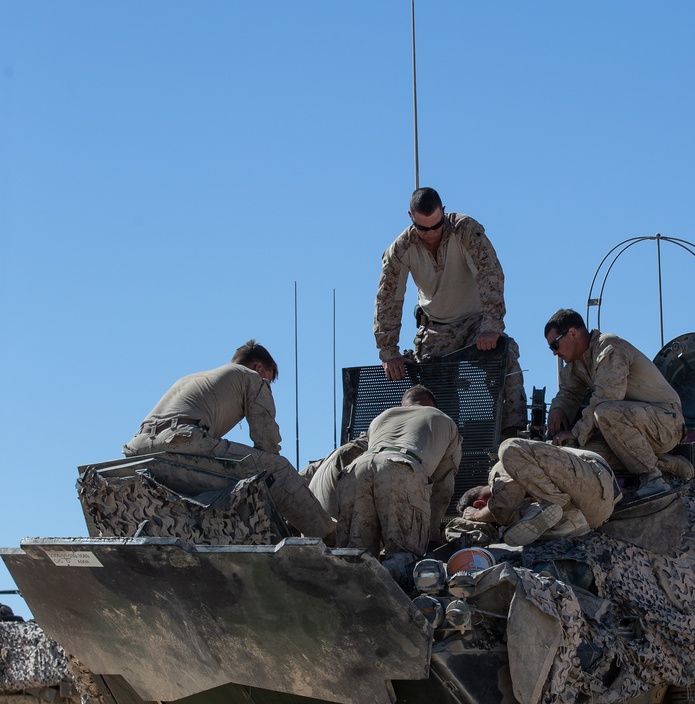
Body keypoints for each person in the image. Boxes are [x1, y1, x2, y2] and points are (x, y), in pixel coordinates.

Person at [122, 341, 337, 542]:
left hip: (138, 448)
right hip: (182, 440)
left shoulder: (196, 378)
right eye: (268, 380)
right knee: (277, 469)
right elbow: (267, 441)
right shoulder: (249, 376)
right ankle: (330, 537)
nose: (266, 384)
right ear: (259, 367)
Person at [374, 186, 527, 435]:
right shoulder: (400, 250)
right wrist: (388, 351)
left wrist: (491, 326)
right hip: (436, 328)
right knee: (432, 388)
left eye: (437, 225)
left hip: (476, 322)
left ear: (443, 212)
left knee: (505, 356)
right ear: (411, 218)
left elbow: (491, 275)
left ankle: (513, 433)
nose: (432, 233)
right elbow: (388, 298)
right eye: (424, 228)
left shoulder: (465, 230)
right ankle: (444, 440)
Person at [544, 309, 691, 499]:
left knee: (604, 412)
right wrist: (558, 409)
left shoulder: (609, 347)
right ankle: (666, 464)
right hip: (632, 426)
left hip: (665, 422)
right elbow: (569, 392)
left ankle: (653, 478)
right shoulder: (577, 364)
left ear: (572, 333)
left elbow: (608, 396)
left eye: (555, 345)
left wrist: (576, 431)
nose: (555, 352)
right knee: (581, 455)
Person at [333, 386, 462, 557]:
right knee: (403, 557)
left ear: (403, 405)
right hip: (401, 469)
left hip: (356, 470)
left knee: (355, 556)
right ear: (432, 405)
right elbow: (442, 486)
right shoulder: (442, 419)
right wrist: (430, 535)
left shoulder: (382, 416)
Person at [463, 437, 620, 544]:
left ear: (479, 502)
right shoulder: (535, 489)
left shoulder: (499, 471)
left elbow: (507, 501)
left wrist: (477, 515)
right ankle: (567, 517)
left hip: (593, 479)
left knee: (509, 447)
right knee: (527, 514)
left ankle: (566, 515)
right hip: (598, 509)